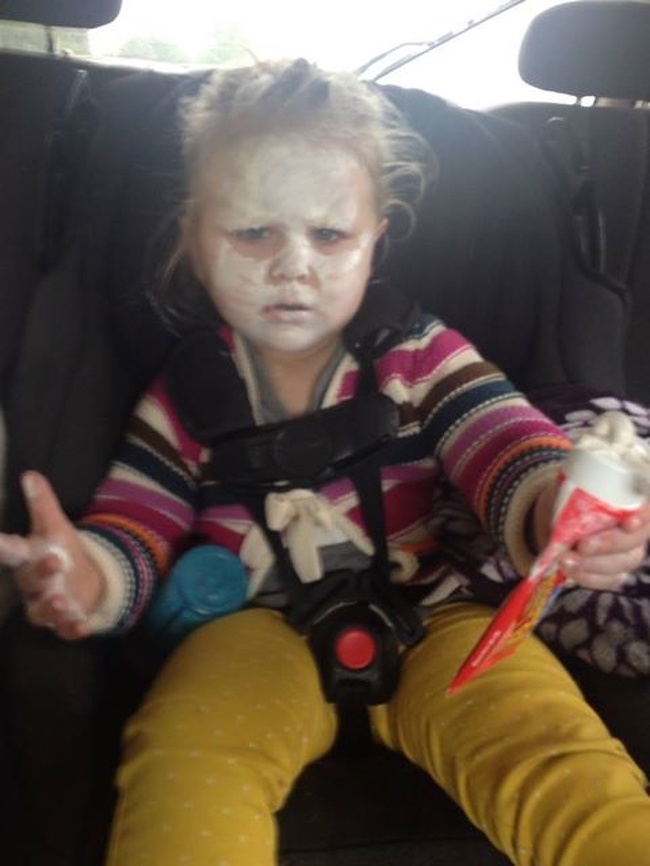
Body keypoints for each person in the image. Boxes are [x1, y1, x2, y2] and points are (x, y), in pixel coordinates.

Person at [1, 58, 650, 866]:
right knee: (184, 763)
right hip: (252, 628)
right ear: (196, 241)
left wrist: (559, 505)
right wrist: (88, 577)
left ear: (375, 242)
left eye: (330, 235)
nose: (292, 266)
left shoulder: (418, 355)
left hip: (437, 614)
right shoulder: (186, 393)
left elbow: (500, 439)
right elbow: (140, 523)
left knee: (560, 760)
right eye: (252, 233)